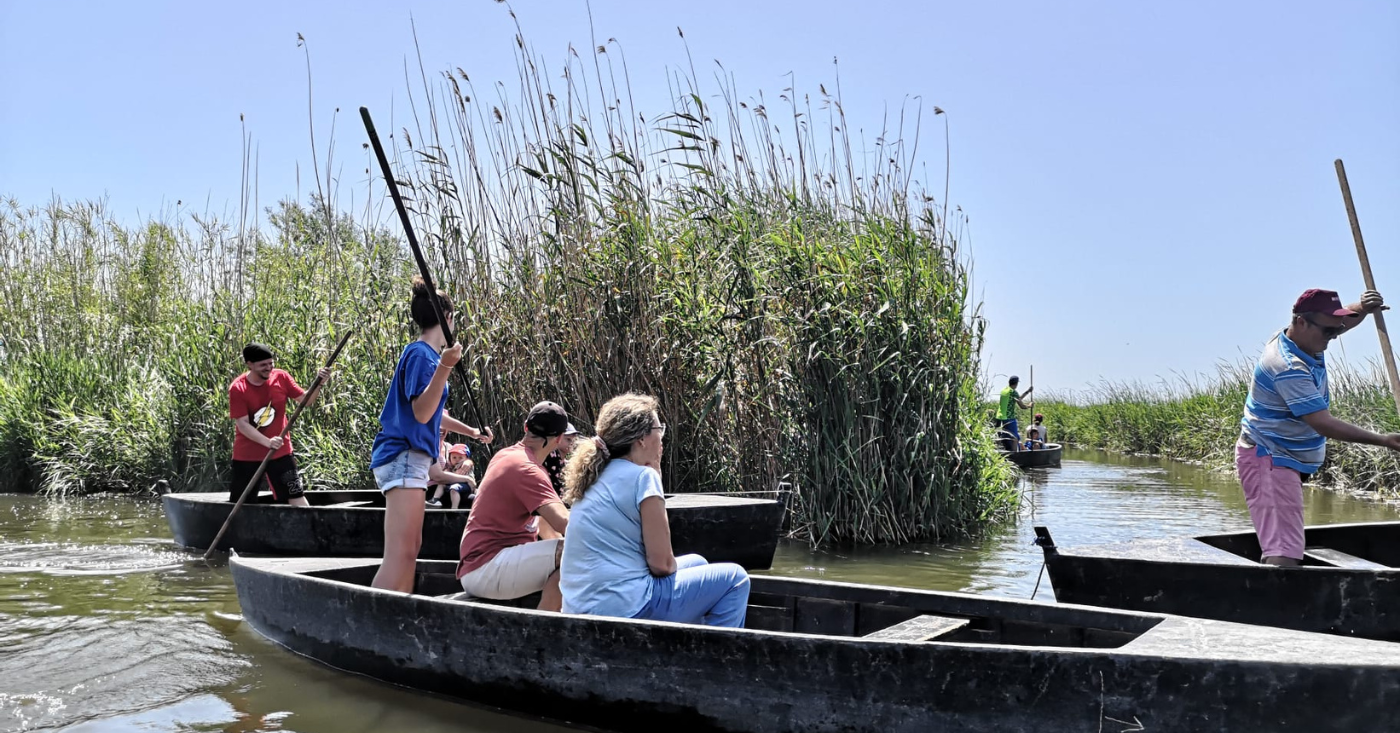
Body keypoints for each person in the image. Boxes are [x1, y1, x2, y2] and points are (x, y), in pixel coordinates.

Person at [1238, 288, 1400, 566]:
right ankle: (1280, 603)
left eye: (1335, 332)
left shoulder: (1302, 339)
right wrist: (1385, 440)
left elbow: (1340, 323)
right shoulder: (1288, 366)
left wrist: (1361, 307)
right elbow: (1323, 423)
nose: (1332, 338)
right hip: (1271, 459)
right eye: (1328, 332)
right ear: (1301, 321)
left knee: (1287, 541)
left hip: (1286, 459)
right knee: (1284, 551)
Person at [560, 393, 750, 628]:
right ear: (641, 439)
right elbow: (662, 565)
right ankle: (715, 661)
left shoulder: (596, 474)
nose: (662, 438)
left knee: (699, 562)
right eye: (659, 428)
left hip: (580, 606)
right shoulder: (642, 477)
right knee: (736, 578)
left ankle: (679, 649)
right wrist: (654, 475)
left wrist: (656, 474)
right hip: (624, 607)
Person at [369, 277, 461, 592]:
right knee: (401, 554)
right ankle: (377, 616)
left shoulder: (429, 357)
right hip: (404, 456)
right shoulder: (423, 355)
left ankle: (399, 608)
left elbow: (433, 413)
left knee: (410, 550)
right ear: (448, 318)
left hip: (413, 459)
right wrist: (446, 367)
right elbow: (421, 412)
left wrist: (472, 432)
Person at [457, 401, 572, 610]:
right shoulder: (528, 469)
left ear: (526, 426)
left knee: (569, 552)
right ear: (558, 439)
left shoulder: (506, 454)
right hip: (486, 568)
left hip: (479, 566)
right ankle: (543, 632)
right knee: (577, 553)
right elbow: (566, 523)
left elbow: (547, 527)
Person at [227, 343, 331, 507]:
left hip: (280, 452)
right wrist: (268, 442)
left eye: (270, 363)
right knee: (242, 504)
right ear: (249, 364)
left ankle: (309, 528)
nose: (268, 368)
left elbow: (306, 400)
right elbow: (243, 425)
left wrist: (319, 384)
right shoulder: (238, 388)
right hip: (248, 454)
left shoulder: (281, 377)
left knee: (296, 494)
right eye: (263, 365)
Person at [428, 443, 476, 509]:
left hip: (464, 485)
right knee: (442, 484)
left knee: (454, 488)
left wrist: (468, 462)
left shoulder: (464, 464)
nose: (457, 460)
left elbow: (469, 465)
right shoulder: (450, 465)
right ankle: (435, 499)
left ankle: (454, 508)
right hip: (433, 486)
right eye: (454, 457)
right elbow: (443, 475)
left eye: (460, 457)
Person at [995, 376, 1034, 452]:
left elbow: (1018, 399)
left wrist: (1028, 391)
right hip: (1008, 417)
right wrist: (1029, 406)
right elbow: (1021, 406)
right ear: (1016, 384)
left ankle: (1002, 452)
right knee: (1014, 438)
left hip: (999, 417)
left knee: (1003, 437)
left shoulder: (1004, 390)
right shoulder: (1013, 392)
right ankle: (1014, 456)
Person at [542, 423, 581, 497]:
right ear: (558, 438)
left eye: (573, 440)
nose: (572, 443)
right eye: (568, 439)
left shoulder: (566, 463)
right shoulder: (551, 456)